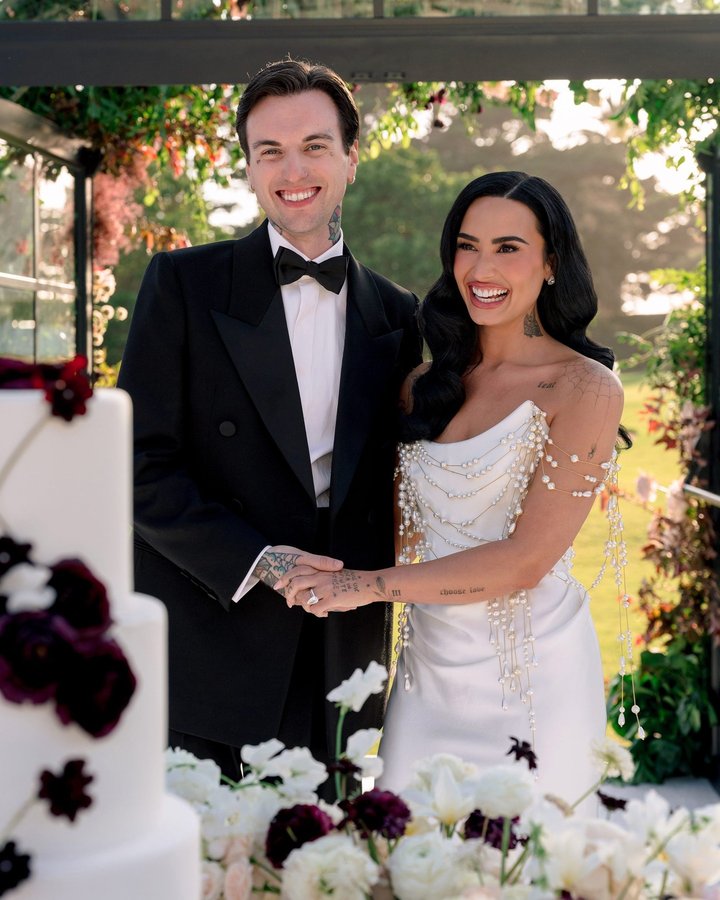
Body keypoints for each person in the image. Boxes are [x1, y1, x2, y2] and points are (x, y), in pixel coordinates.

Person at [277, 171, 633, 806]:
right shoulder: (423, 385)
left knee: (527, 850)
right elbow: (384, 521)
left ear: (552, 263)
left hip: (533, 677)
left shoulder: (584, 388)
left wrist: (364, 586)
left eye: (508, 248)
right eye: (467, 246)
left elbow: (526, 561)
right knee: (409, 839)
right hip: (428, 672)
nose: (481, 268)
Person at [117, 58, 422, 780]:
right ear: (250, 169)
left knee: (327, 847)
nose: (294, 171)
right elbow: (135, 465)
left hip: (341, 651)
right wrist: (262, 562)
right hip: (211, 638)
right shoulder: (183, 284)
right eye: (271, 151)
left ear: (351, 157)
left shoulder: (399, 314)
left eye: (315, 146)